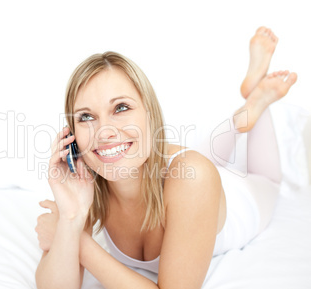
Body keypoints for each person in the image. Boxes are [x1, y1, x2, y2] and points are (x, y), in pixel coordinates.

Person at [34, 26, 297, 289]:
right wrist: (70, 219)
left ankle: (255, 101)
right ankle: (244, 114)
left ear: (150, 112)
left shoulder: (194, 180)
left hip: (233, 193)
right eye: (86, 117)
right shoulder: (86, 181)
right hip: (184, 175)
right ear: (72, 134)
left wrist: (77, 241)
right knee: (196, 164)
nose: (104, 132)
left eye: (121, 107)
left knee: (239, 175)